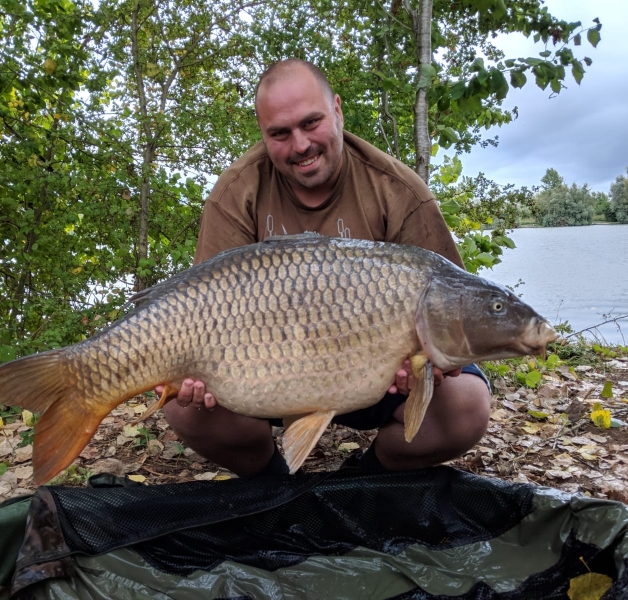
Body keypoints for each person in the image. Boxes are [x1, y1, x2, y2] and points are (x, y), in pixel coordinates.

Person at [158, 59, 491, 477]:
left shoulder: (398, 190)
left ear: (337, 109)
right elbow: (202, 307)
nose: (300, 145)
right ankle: (273, 485)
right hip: (264, 379)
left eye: (311, 123)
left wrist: (430, 367)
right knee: (184, 408)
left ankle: (366, 479)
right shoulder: (237, 192)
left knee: (465, 405)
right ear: (263, 134)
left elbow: (455, 309)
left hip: (376, 375)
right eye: (280, 133)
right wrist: (190, 372)